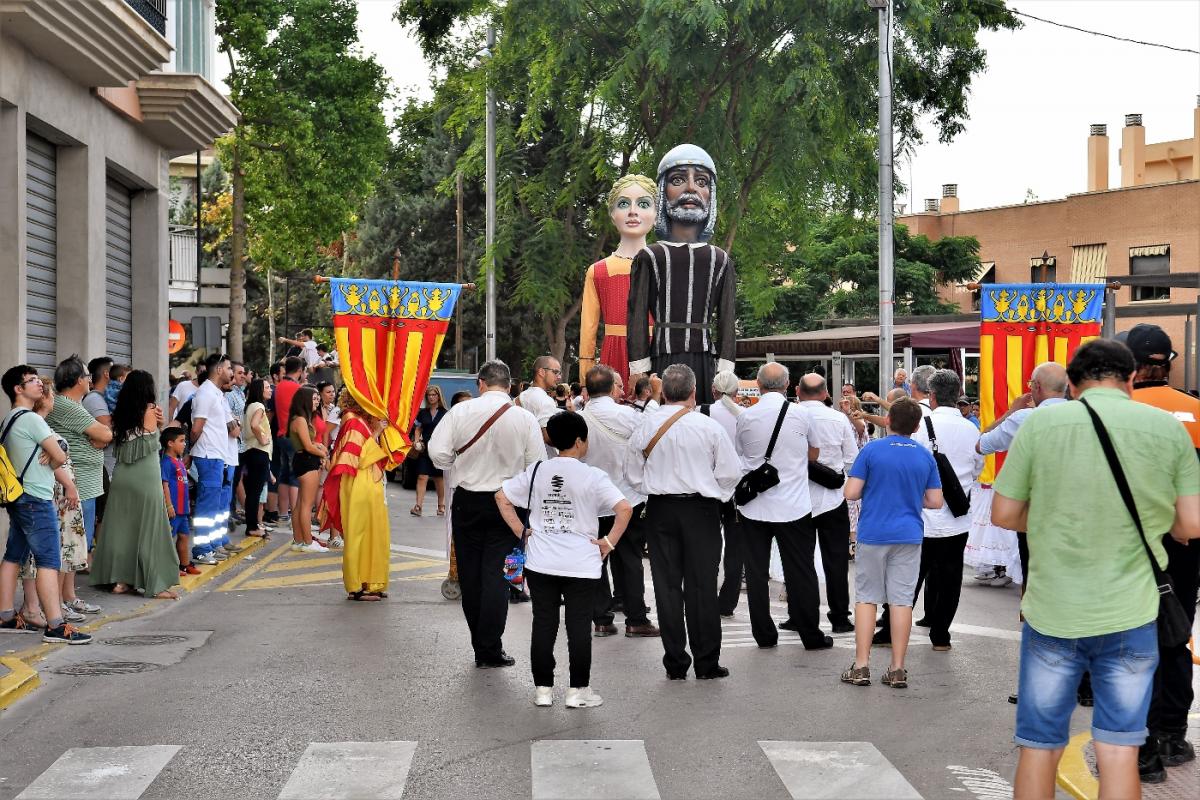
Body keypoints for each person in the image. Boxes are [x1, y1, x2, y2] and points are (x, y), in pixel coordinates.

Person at [992, 339, 1199, 800]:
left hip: (1052, 613)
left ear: (1071, 383)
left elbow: (1004, 514)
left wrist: (1050, 518)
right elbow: (1191, 523)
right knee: (1121, 748)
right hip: (1133, 612)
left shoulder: (1044, 423)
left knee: (1039, 746)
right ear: (1131, 380)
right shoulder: (1166, 430)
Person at [498, 411, 633, 708]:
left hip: (541, 560)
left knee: (544, 624)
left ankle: (543, 690)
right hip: (581, 563)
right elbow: (624, 509)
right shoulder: (593, 475)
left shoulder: (537, 471)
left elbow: (501, 497)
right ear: (579, 441)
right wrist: (609, 542)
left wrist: (523, 531)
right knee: (578, 627)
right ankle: (577, 691)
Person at [626, 363, 741, 680]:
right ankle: (706, 662)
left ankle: (675, 661)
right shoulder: (708, 428)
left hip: (660, 509)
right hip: (700, 510)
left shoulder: (646, 426)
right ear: (693, 392)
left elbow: (632, 474)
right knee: (702, 586)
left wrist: (653, 489)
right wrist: (714, 494)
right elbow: (730, 473)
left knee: (666, 587)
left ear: (663, 392)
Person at [428, 360, 544, 668]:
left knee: (470, 574)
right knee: (498, 577)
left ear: (481, 383)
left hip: (468, 500)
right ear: (508, 385)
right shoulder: (525, 419)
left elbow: (437, 451)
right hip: (509, 503)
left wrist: (457, 462)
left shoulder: (460, 412)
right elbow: (536, 467)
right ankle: (489, 647)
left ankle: (480, 644)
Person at [1123, 323, 1200, 781]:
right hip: (1188, 543)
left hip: (1132, 542)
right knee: (1176, 628)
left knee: (1131, 637)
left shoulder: (1118, 412)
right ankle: (1172, 731)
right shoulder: (1195, 411)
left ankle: (1143, 741)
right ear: (1167, 363)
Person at [841, 398, 943, 689]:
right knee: (901, 600)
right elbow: (936, 501)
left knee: (867, 597)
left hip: (873, 532)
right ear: (916, 425)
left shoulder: (872, 450)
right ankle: (897, 668)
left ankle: (861, 666)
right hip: (909, 533)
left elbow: (851, 492)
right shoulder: (924, 455)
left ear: (887, 421)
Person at [627, 144, 737, 394]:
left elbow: (727, 319)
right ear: (663, 192)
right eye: (678, 179)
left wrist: (726, 370)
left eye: (701, 181)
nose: (691, 188)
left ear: (711, 193)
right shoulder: (649, 256)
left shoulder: (720, 259)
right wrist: (638, 369)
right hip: (661, 359)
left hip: (706, 362)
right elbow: (636, 318)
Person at [734, 364, 829, 650]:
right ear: (788, 385)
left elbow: (741, 454)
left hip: (755, 507)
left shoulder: (746, 416)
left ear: (759, 386)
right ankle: (810, 634)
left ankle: (764, 635)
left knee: (756, 572)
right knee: (800, 570)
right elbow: (814, 452)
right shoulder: (801, 415)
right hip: (794, 505)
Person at [0, 367, 90, 643]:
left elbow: (52, 455)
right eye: (32, 381)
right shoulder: (32, 420)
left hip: (19, 497)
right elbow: (60, 455)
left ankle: (5, 615)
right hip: (36, 499)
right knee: (49, 560)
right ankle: (55, 625)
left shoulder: (10, 419)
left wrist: (51, 455)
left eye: (38, 379)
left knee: (14, 554)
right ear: (18, 389)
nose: (39, 384)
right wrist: (54, 455)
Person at [971, 362, 1069, 589]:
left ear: (1036, 386)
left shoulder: (1025, 418)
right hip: (1075, 505)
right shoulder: (1084, 414)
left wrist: (1010, 412)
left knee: (1033, 574)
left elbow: (981, 444)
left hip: (1035, 508)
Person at [579, 366, 659, 638]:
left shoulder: (578, 419)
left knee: (594, 559)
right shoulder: (628, 415)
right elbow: (651, 437)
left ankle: (601, 619)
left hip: (591, 501)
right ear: (612, 388)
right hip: (627, 498)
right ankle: (636, 619)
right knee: (630, 559)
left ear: (587, 389)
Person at [88, 370, 180, 600]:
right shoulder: (149, 409)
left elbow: (121, 441)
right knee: (150, 528)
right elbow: (148, 441)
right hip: (145, 475)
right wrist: (159, 426)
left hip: (121, 475)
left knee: (121, 528)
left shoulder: (120, 411)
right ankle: (154, 583)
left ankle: (120, 581)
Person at [579, 174, 658, 389]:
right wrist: (586, 380)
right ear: (612, 214)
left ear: (656, 214)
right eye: (624, 204)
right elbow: (588, 330)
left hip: (658, 353)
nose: (633, 211)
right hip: (613, 356)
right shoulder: (598, 271)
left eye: (643, 204)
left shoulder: (666, 267)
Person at [796, 373, 859, 633]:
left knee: (800, 561)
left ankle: (799, 615)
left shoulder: (791, 416)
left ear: (798, 392)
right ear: (824, 394)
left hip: (798, 498)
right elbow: (852, 459)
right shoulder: (838, 419)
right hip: (833, 499)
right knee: (836, 562)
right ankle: (840, 617)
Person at [45, 356, 110, 604]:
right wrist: (102, 437)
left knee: (77, 545)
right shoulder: (66, 405)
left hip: (85, 484)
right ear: (76, 380)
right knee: (69, 545)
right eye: (86, 375)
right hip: (76, 485)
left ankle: (69, 597)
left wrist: (102, 437)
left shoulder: (76, 404)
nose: (90, 379)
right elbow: (104, 432)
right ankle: (62, 601)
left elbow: (103, 435)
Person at [320, 395, 388, 599]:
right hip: (359, 482)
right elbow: (354, 458)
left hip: (366, 482)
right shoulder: (353, 420)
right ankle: (357, 585)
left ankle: (369, 581)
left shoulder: (357, 419)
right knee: (359, 532)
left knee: (371, 532)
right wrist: (376, 432)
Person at [189, 353, 241, 564]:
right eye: (229, 368)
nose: (232, 373)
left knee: (213, 505)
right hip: (208, 456)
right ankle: (201, 550)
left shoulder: (217, 394)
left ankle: (210, 546)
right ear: (219, 369)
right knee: (206, 506)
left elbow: (232, 427)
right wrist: (190, 452)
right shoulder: (206, 394)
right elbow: (196, 428)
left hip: (217, 456)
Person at [706, 370, 745, 618]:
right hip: (738, 488)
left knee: (708, 546)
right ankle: (727, 601)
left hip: (709, 486)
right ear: (736, 392)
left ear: (713, 390)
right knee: (735, 548)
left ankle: (706, 595)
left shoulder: (703, 412)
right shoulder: (745, 416)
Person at [288, 387, 328, 553]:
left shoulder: (301, 419)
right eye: (314, 398)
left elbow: (309, 443)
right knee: (306, 505)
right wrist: (323, 454)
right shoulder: (301, 420)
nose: (317, 401)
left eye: (318, 398)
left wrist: (317, 446)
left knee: (300, 504)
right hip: (307, 461)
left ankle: (299, 540)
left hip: (303, 460)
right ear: (304, 400)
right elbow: (307, 446)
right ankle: (307, 540)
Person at [160, 427, 199, 576]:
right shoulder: (166, 463)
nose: (184, 444)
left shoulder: (180, 462)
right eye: (181, 441)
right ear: (170, 443)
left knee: (184, 537)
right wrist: (169, 505)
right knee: (169, 540)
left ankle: (185, 564)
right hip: (174, 509)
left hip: (183, 509)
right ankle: (169, 568)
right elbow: (164, 484)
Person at [270, 356, 305, 524]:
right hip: (294, 436)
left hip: (281, 434)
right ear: (299, 371)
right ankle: (295, 513)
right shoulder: (297, 388)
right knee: (295, 475)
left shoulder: (279, 386)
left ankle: (283, 513)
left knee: (284, 474)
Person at [240, 378, 274, 540]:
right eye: (267, 387)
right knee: (255, 492)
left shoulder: (249, 406)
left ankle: (252, 524)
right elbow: (254, 425)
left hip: (250, 452)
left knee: (252, 492)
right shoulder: (259, 406)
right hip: (258, 452)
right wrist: (262, 438)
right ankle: (252, 527)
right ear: (259, 390)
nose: (270, 390)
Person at [411, 385, 448, 517]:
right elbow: (418, 428)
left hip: (439, 449)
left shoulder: (445, 413)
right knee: (422, 476)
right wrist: (416, 441)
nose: (431, 397)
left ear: (439, 396)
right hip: (425, 449)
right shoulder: (423, 413)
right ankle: (418, 506)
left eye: (434, 395)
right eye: (429, 395)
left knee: (439, 478)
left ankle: (441, 506)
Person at [517, 356, 562, 452]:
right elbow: (548, 437)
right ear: (541, 372)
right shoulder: (544, 399)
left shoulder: (524, 395)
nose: (559, 377)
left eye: (559, 373)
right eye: (555, 372)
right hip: (543, 459)